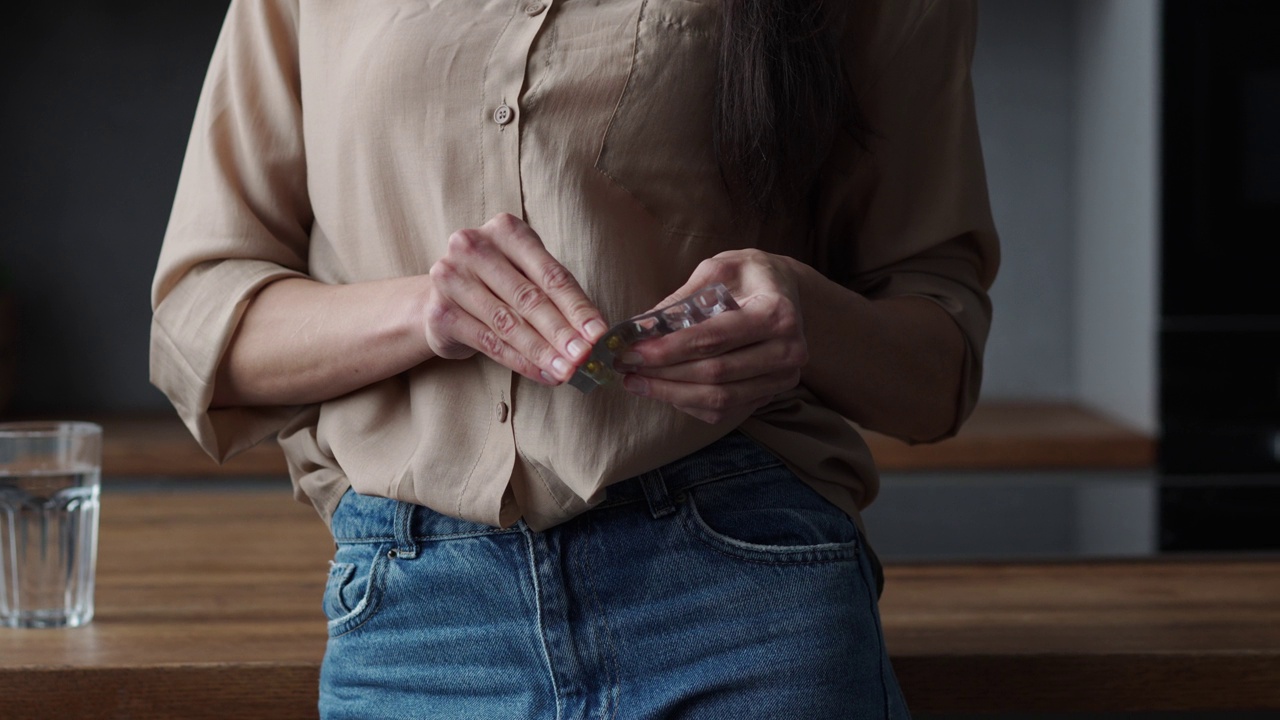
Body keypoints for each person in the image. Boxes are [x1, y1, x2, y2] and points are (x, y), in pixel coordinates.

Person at [151, 0, 998, 717]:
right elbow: (199, 327)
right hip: (420, 614)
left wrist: (808, 312)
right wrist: (424, 310)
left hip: (747, 592)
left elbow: (937, 371)